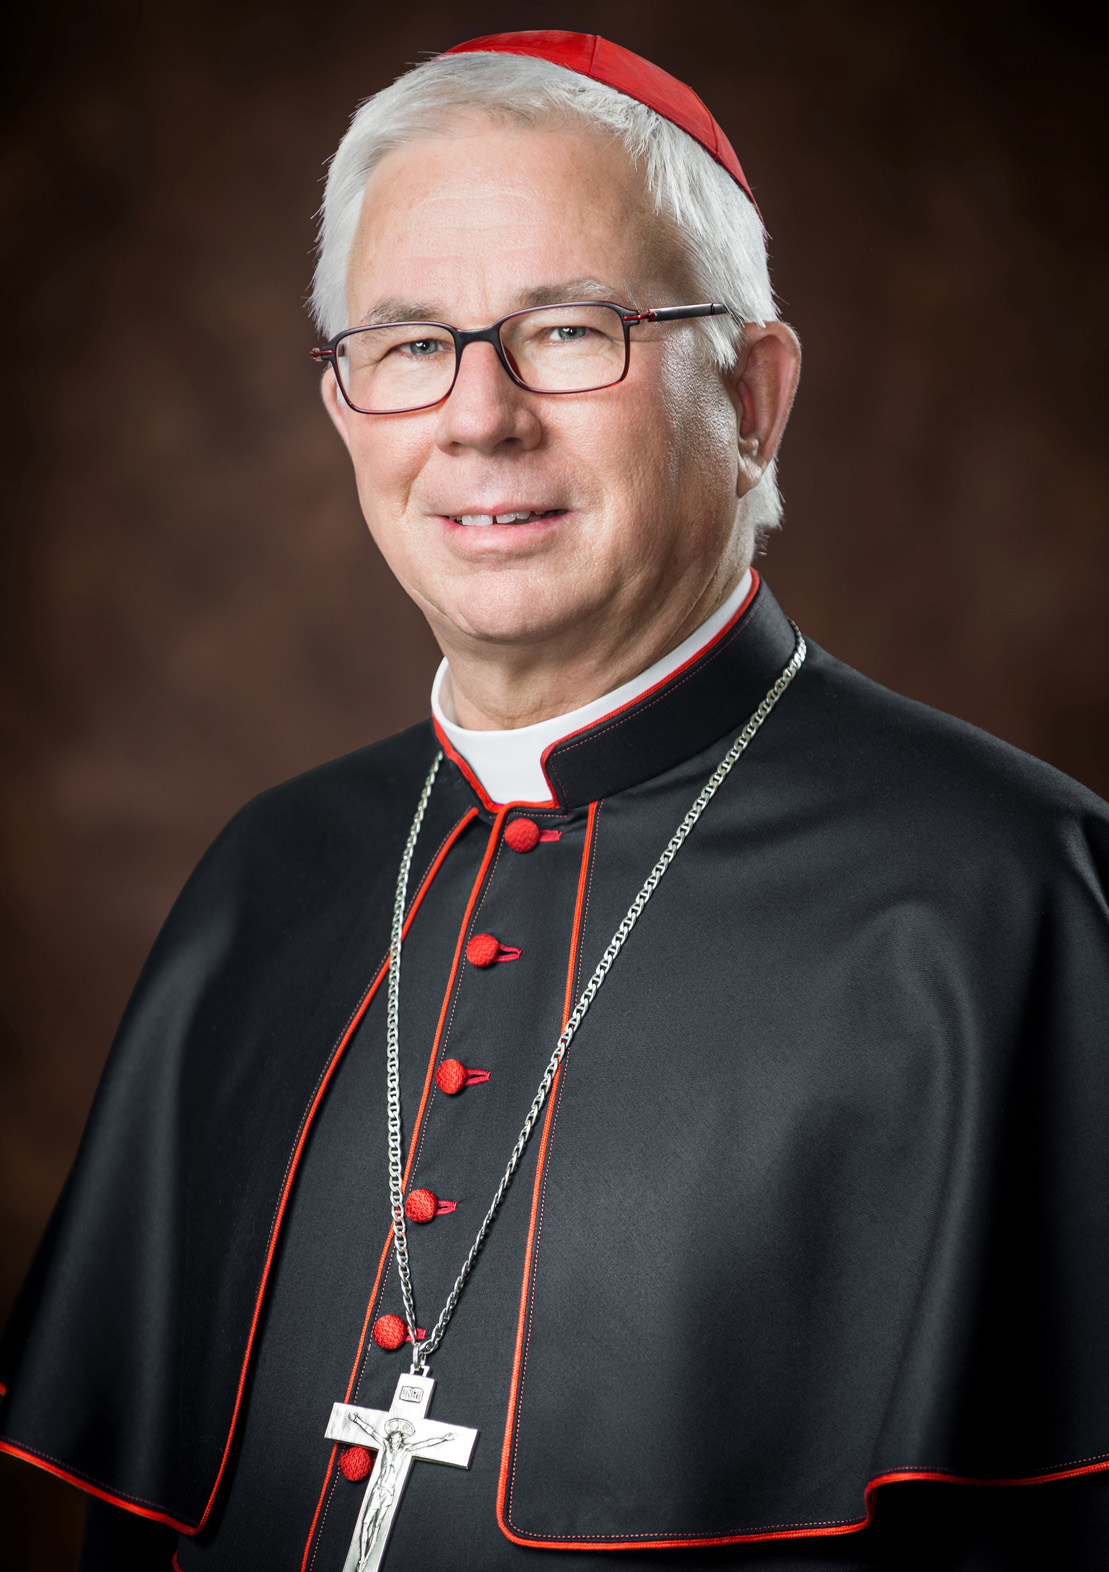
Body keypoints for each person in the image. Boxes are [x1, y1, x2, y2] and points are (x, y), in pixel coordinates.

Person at [2, 29, 1108, 1572]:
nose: (478, 418)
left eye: (570, 329)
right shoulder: (269, 876)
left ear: (753, 398)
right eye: (407, 345)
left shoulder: (1008, 902)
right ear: (344, 407)